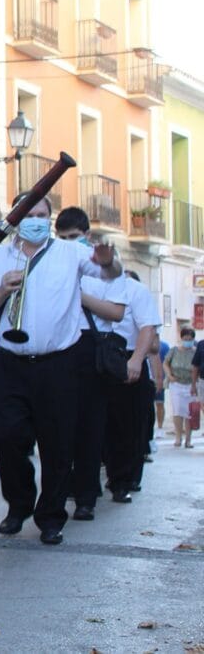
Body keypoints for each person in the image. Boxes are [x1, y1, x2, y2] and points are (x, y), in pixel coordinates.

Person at [0, 194, 120, 546]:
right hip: (9, 361)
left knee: (57, 443)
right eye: (29, 214)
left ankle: (51, 516)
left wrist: (109, 260)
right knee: (8, 438)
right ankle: (18, 503)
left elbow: (109, 272)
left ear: (50, 219)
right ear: (16, 217)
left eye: (42, 214)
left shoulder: (70, 253)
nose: (35, 220)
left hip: (59, 363)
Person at [54, 207, 126, 521]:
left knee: (90, 427)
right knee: (58, 428)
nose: (69, 243)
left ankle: (86, 496)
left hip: (91, 351)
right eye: (63, 237)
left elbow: (116, 312)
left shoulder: (102, 267)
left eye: (74, 237)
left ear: (87, 236)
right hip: (61, 347)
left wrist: (79, 295)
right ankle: (59, 493)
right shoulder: (56, 263)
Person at [101, 271, 162, 502]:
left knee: (130, 426)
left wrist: (143, 365)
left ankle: (125, 479)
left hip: (128, 357)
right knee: (98, 424)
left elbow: (153, 344)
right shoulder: (91, 288)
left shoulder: (136, 292)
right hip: (98, 357)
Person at [165, 327, 197, 448]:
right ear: (181, 338)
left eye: (190, 339)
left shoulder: (196, 351)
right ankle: (178, 437)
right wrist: (169, 375)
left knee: (190, 412)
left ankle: (188, 440)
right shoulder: (174, 350)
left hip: (191, 384)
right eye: (185, 339)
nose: (187, 341)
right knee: (178, 411)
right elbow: (166, 363)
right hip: (176, 383)